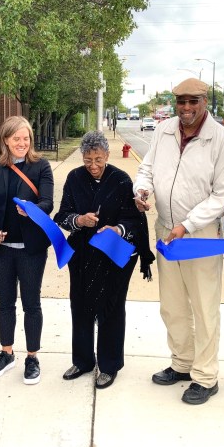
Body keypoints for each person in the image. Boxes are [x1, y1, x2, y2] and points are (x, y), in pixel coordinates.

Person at [133, 78, 224, 405]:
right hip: (166, 229)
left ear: (205, 101)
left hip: (200, 236)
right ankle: (182, 362)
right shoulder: (164, 131)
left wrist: (188, 224)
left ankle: (205, 377)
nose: (187, 108)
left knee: (205, 305)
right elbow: (147, 169)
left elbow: (223, 194)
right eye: (181, 101)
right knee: (172, 303)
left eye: (193, 101)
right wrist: (141, 190)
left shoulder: (221, 139)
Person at [54, 131, 154, 389]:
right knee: (81, 306)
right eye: (88, 160)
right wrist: (79, 220)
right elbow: (62, 215)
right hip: (83, 254)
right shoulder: (75, 178)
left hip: (112, 254)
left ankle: (109, 366)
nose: (94, 166)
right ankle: (83, 360)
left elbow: (134, 220)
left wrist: (117, 229)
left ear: (107, 156)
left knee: (110, 308)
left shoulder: (120, 180)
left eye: (98, 159)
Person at [0, 116, 54, 385]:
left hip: (31, 249)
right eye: (16, 139)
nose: (22, 143)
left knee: (31, 304)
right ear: (5, 141)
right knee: (5, 303)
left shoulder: (41, 166)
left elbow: (48, 201)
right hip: (2, 249)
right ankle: (6, 353)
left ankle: (32, 357)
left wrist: (32, 210)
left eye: (26, 138)